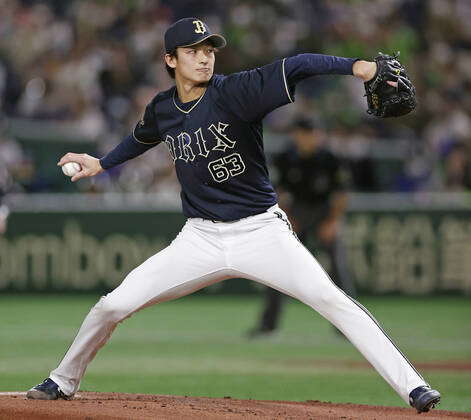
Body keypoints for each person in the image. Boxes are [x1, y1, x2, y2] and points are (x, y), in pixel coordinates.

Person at [27, 18, 440, 413]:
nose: (205, 57)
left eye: (209, 50)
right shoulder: (163, 109)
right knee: (112, 306)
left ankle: (414, 387)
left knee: (334, 301)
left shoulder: (236, 92)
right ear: (170, 60)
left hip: (261, 232)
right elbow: (141, 138)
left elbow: (296, 65)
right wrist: (101, 163)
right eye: (193, 51)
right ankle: (63, 379)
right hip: (199, 239)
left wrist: (358, 67)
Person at [248, 117, 356, 338]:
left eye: (310, 133)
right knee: (280, 269)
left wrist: (333, 222)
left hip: (325, 212)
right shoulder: (287, 158)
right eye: (301, 133)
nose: (305, 138)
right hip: (296, 212)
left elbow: (341, 194)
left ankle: (349, 328)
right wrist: (286, 219)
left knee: (338, 270)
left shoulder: (330, 158)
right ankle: (268, 325)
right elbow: (274, 192)